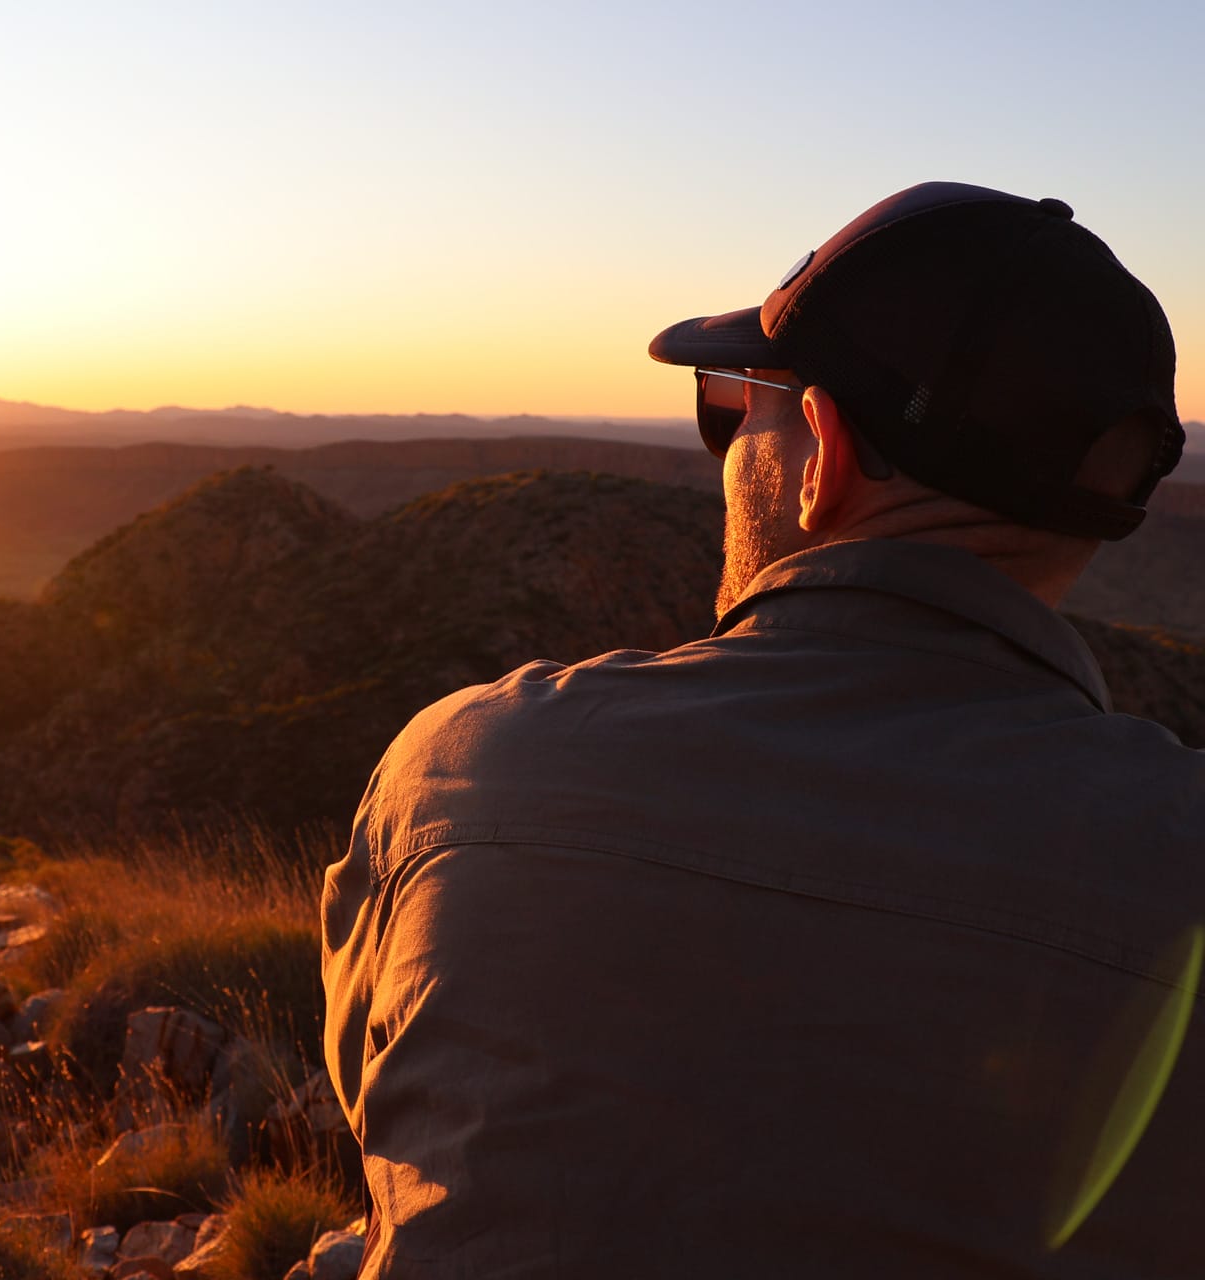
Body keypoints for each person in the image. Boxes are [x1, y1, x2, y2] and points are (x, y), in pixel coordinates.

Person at [320, 182, 1203, 1277]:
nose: (728, 449)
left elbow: (384, 1122)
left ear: (823, 450)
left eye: (736, 410)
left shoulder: (465, 769)